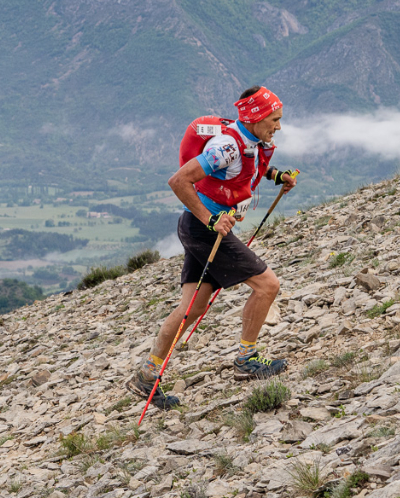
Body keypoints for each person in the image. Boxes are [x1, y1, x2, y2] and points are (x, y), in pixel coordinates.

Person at [127, 86, 300, 409]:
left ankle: (146, 375)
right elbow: (179, 181)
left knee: (190, 309)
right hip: (205, 231)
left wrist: (278, 176)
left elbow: (246, 173)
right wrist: (211, 220)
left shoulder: (250, 142)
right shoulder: (226, 147)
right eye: (274, 119)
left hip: (196, 229)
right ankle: (246, 360)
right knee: (267, 285)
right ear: (255, 118)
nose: (278, 126)